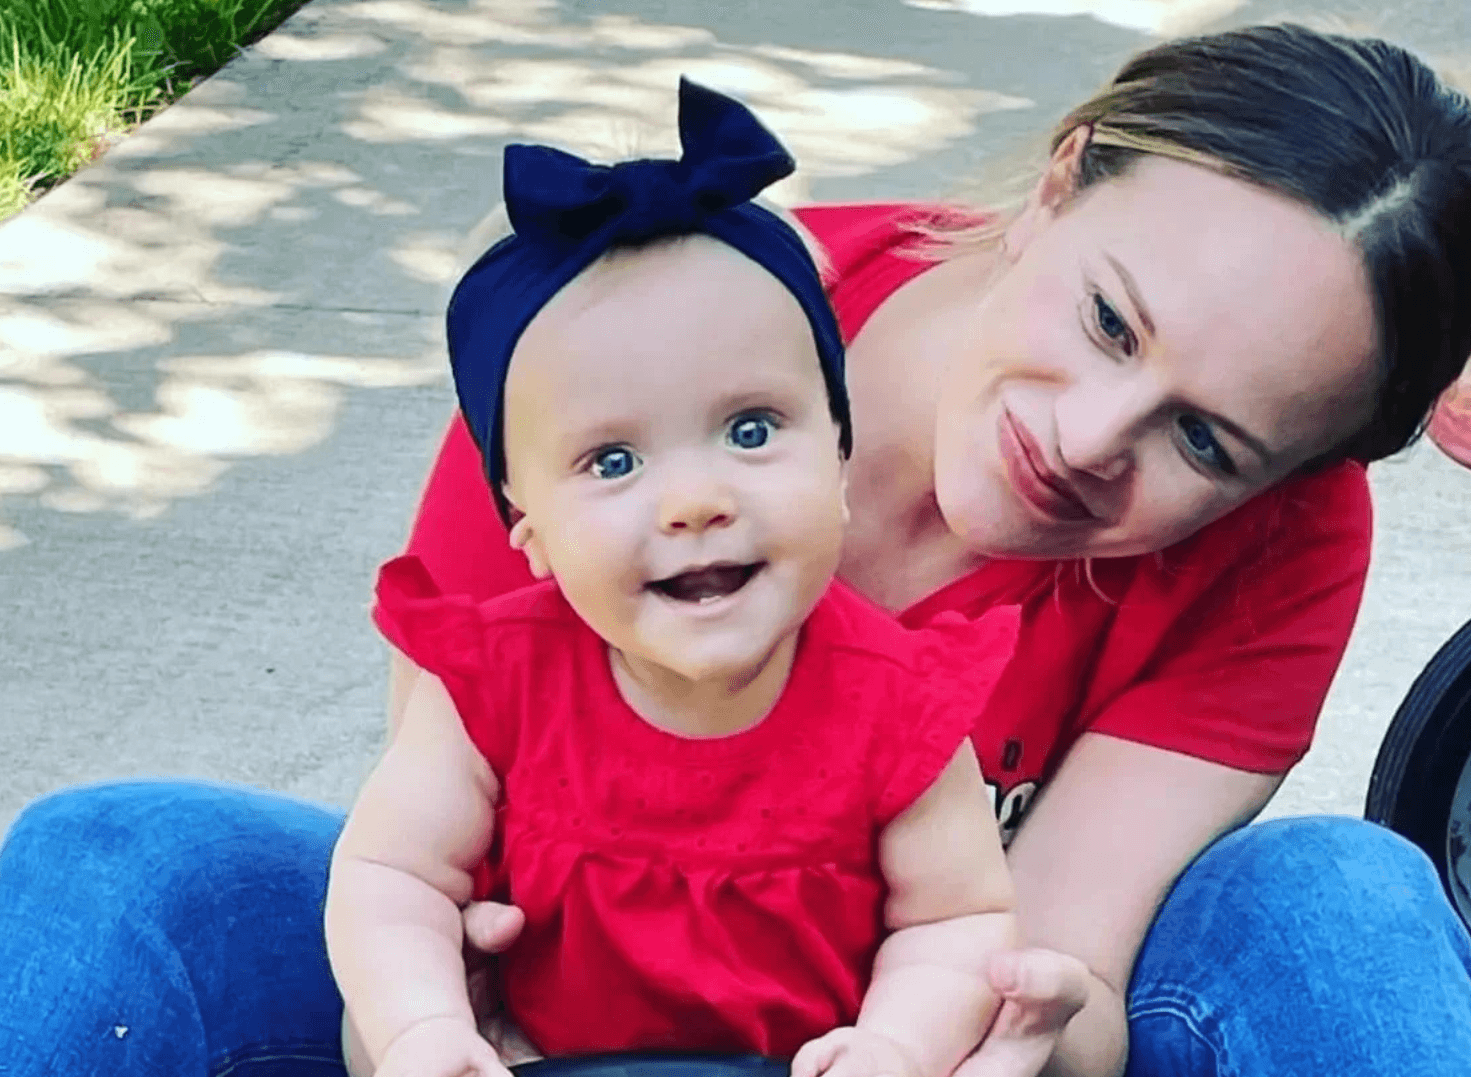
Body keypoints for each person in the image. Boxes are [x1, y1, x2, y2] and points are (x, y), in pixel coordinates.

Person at [0, 22, 1471, 1077]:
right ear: (1062, 182)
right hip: (566, 986)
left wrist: (1010, 1032)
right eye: (1110, 320)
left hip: (911, 1020)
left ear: (1291, 473)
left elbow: (1049, 956)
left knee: (1342, 903)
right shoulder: (642, 333)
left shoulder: (1281, 546)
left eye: (1208, 442)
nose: (1091, 438)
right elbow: (447, 843)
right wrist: (425, 1023)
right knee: (119, 858)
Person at [331, 79, 1018, 1077]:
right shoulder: (492, 689)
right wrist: (422, 1028)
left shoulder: (898, 706)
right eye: (613, 461)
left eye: (751, 430)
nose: (694, 501)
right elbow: (394, 875)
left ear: (839, 460)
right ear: (529, 529)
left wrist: (897, 1046)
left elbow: (957, 921)